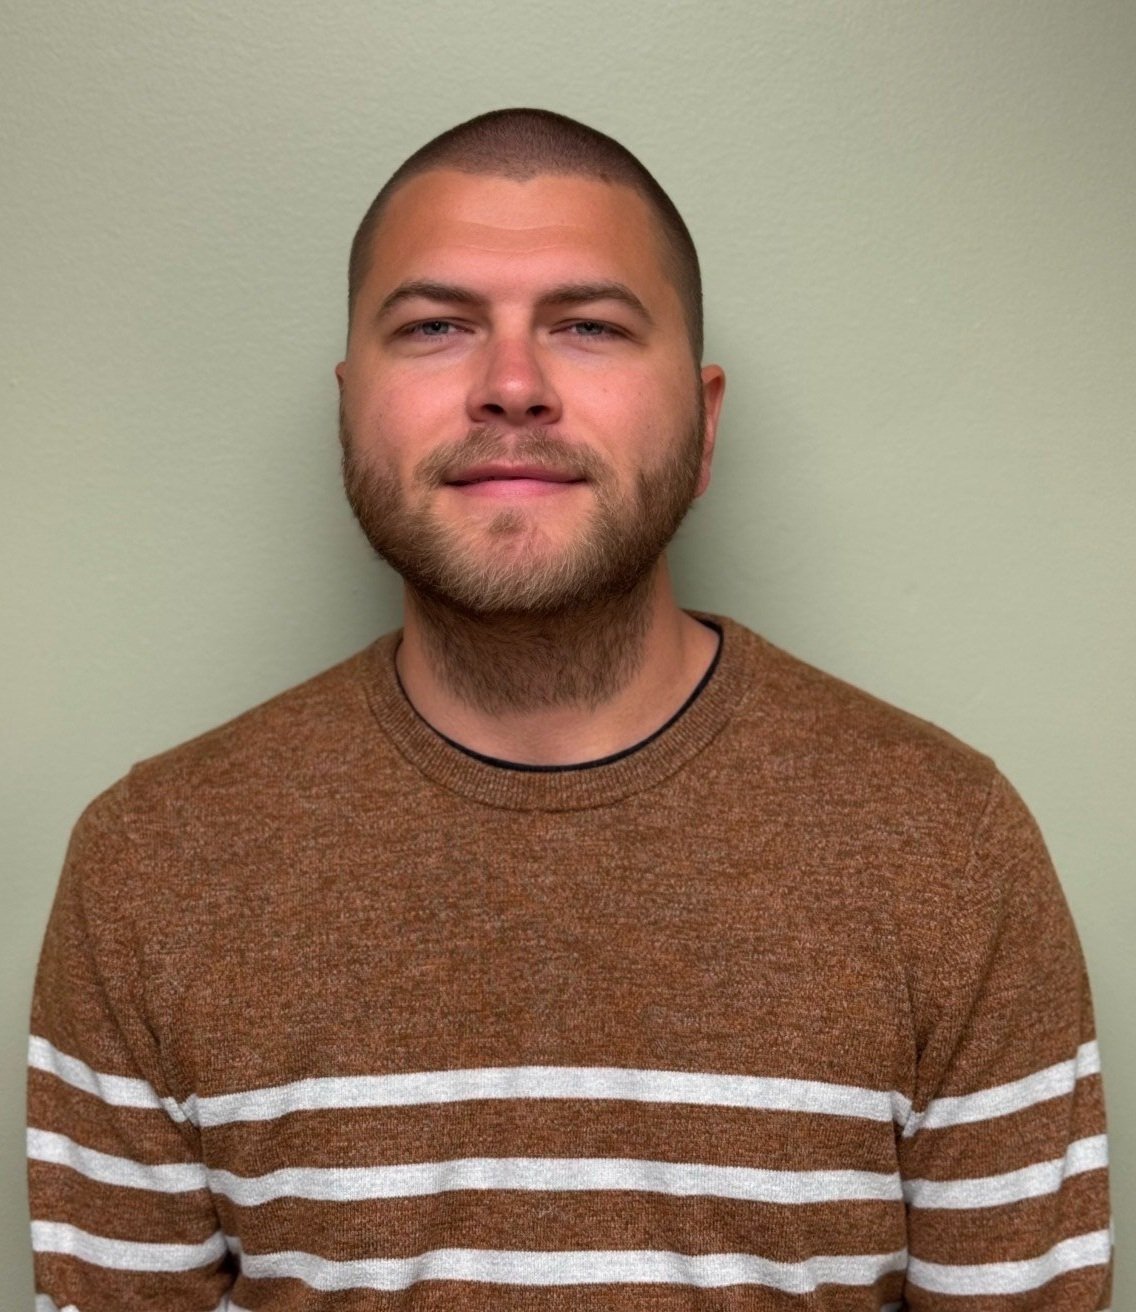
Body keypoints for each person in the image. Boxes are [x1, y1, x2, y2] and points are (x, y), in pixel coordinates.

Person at [27, 108, 1111, 1310]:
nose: (509, 387)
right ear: (349, 409)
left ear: (702, 423)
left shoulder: (945, 845)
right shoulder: (152, 864)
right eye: (435, 327)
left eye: (587, 327)